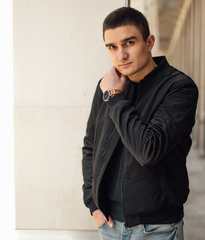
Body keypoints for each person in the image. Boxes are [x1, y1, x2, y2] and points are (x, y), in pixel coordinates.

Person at [82, 7, 198, 240]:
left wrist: (115, 98)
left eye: (129, 43)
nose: (120, 55)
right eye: (112, 47)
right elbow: (91, 145)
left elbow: (148, 150)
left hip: (157, 229)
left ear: (149, 42)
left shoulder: (179, 88)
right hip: (110, 225)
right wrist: (92, 202)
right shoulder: (106, 85)